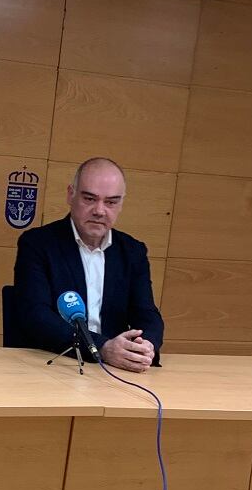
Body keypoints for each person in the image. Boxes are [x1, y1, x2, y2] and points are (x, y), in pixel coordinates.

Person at [13, 157, 163, 372]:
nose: (100, 211)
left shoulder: (132, 251)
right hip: (54, 364)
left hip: (114, 369)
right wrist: (101, 347)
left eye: (111, 202)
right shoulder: (38, 244)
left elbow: (146, 313)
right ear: (70, 195)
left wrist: (146, 345)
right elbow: (36, 316)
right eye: (90, 199)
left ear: (121, 204)